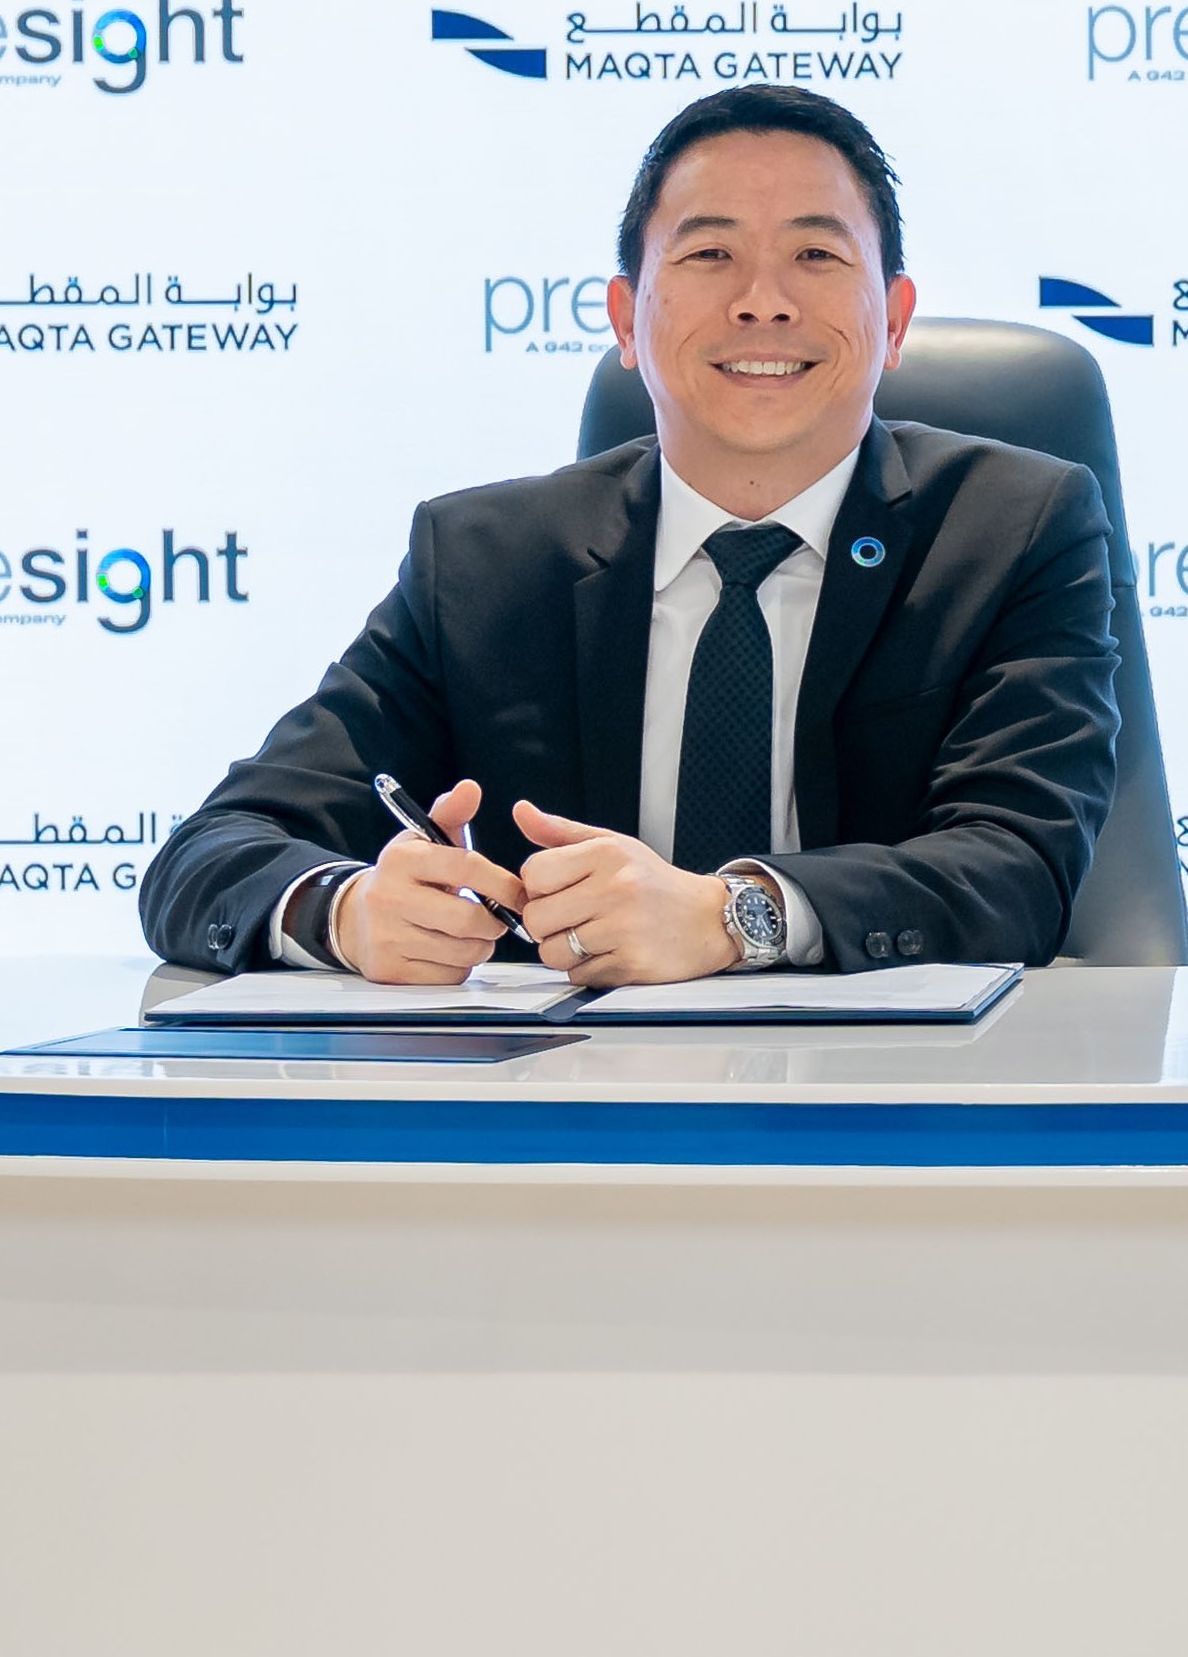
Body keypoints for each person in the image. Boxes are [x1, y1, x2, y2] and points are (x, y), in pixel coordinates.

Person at [144, 86, 1122, 984]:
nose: (763, 299)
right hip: (560, 1098)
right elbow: (212, 852)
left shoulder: (1009, 530)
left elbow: (1016, 865)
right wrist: (343, 911)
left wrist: (736, 915)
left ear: (895, 319)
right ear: (625, 317)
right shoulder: (484, 561)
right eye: (709, 255)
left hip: (892, 1093)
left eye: (816, 256)